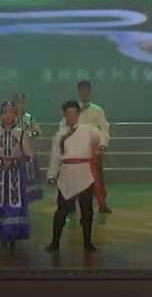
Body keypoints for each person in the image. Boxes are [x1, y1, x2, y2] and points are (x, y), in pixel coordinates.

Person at [46, 100, 108, 252]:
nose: (71, 116)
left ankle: (87, 242)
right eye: (68, 113)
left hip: (85, 173)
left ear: (78, 114)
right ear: (64, 114)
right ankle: (55, 242)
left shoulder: (88, 130)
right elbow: (55, 156)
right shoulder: (60, 135)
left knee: (87, 210)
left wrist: (101, 146)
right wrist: (52, 174)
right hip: (67, 174)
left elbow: (102, 135)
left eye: (74, 113)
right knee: (61, 211)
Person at [0, 101, 34, 250]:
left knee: (14, 203)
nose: (8, 115)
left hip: (15, 174)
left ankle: (13, 233)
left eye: (11, 112)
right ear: (1, 114)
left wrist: (14, 162)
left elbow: (29, 155)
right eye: (5, 112)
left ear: (15, 114)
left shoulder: (21, 133)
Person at [76, 80, 111, 213]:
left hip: (93, 149)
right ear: (79, 93)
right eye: (82, 91)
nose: (84, 94)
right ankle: (71, 205)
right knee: (74, 177)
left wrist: (102, 145)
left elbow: (104, 129)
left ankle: (102, 203)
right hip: (77, 149)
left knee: (97, 179)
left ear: (90, 92)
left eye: (86, 91)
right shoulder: (73, 109)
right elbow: (65, 126)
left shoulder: (98, 110)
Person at [14, 93, 43, 203]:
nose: (20, 106)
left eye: (22, 103)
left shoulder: (29, 118)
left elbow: (38, 132)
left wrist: (29, 135)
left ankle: (28, 199)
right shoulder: (10, 118)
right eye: (18, 103)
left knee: (29, 177)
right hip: (15, 154)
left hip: (28, 154)